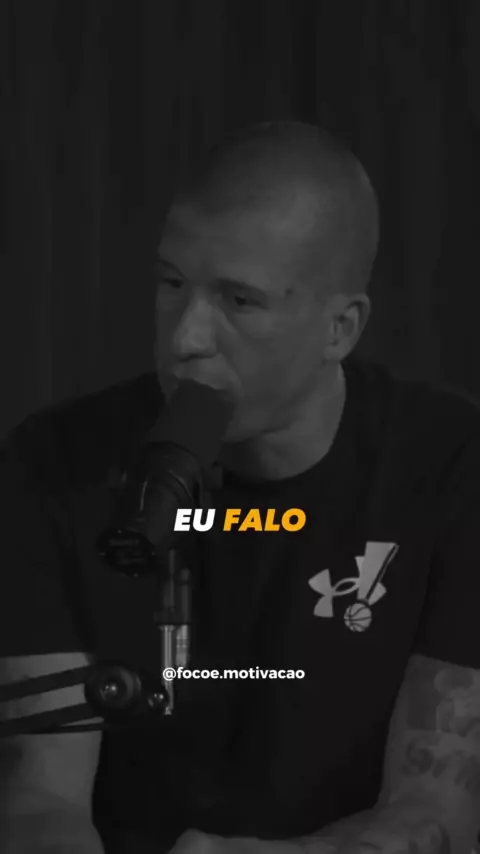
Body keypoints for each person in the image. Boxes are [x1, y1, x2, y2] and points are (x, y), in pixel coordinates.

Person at [1, 121, 480, 854]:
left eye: (239, 301)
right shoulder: (54, 464)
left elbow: (433, 813)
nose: (185, 339)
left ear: (340, 328)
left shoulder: (451, 467)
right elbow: (40, 797)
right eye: (171, 284)